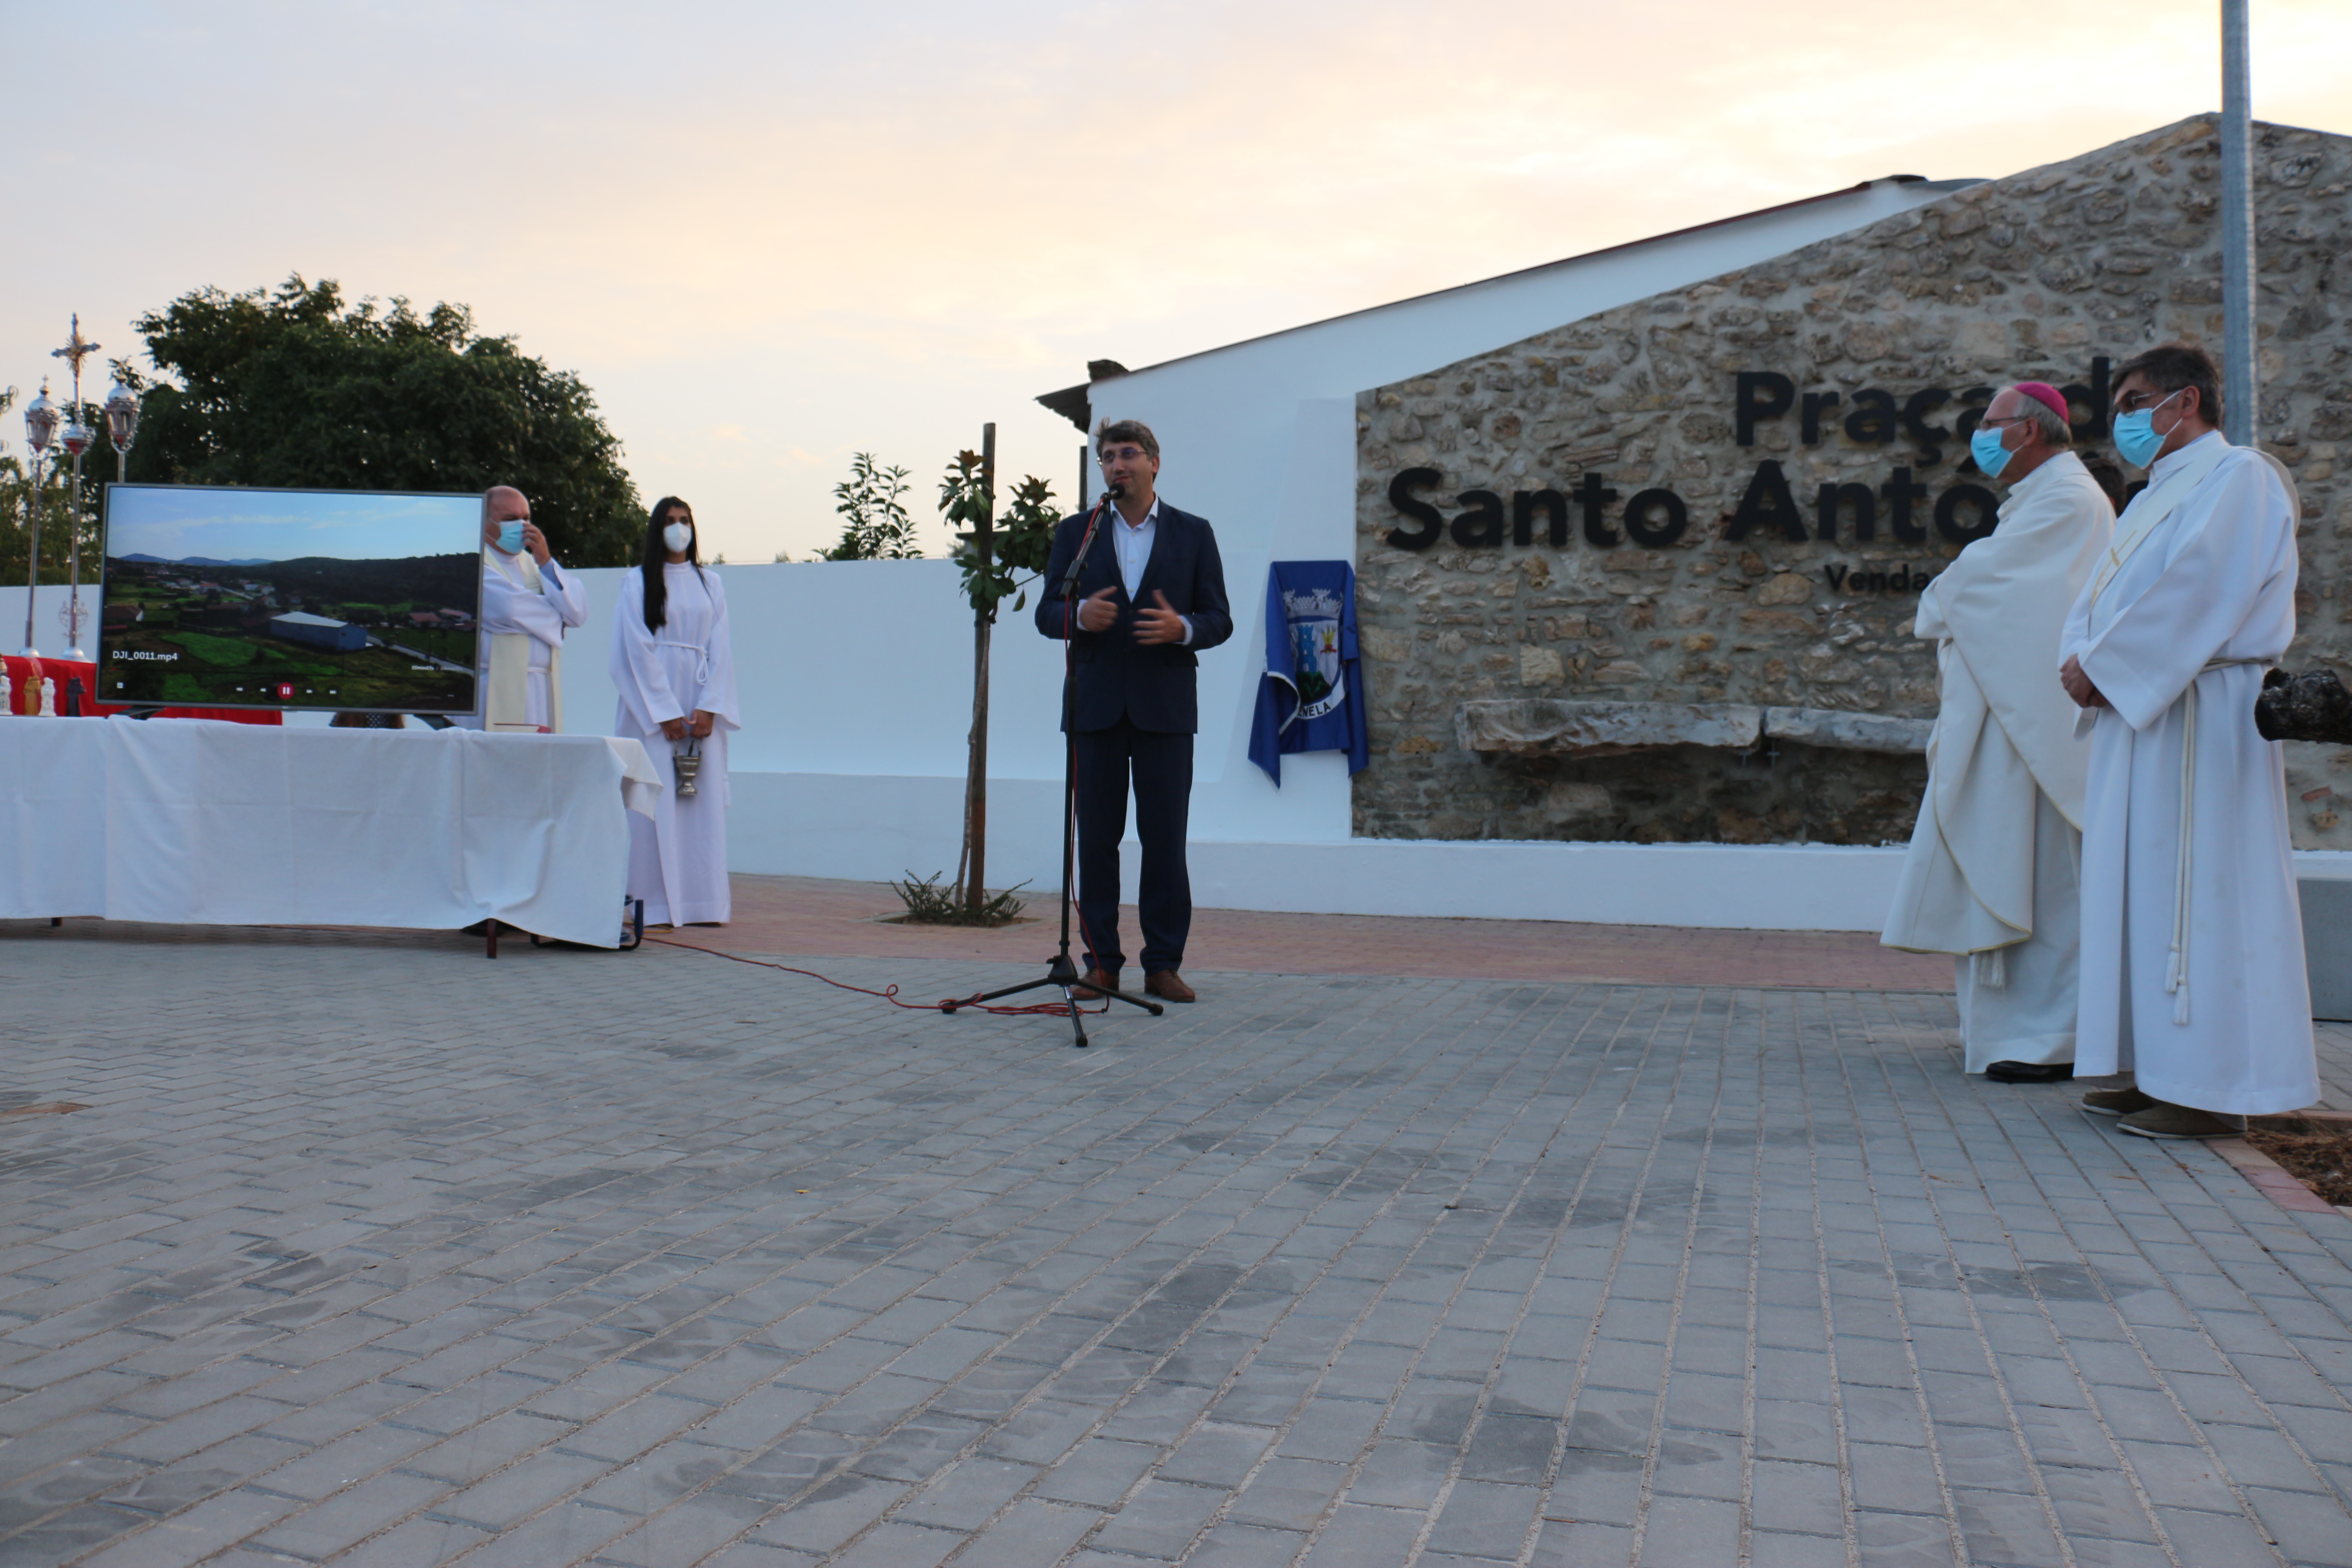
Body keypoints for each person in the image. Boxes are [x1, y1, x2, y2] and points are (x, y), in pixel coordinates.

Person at [2058, 342, 2318, 1137]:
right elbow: (2095, 595)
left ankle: (2212, 1090)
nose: (2121, 421)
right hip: (2144, 714)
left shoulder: (2237, 477)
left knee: (2203, 895)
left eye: (2133, 403)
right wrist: (2080, 659)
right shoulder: (2146, 498)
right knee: (2140, 891)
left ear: (2185, 402)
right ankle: (2156, 1068)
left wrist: (2106, 667)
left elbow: (2201, 586)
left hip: (2203, 714)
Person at [1884, 383, 2114, 1082]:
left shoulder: (2068, 500)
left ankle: (2051, 1039)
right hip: (2013, 719)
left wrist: (1943, 597)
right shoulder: (2039, 502)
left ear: (2031, 432)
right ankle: (2013, 1032)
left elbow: (1988, 588)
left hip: (2035, 729)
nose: (1979, 437)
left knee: (2047, 886)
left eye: (1990, 423)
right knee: (2017, 870)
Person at [1035, 420, 1232, 1004]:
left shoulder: (1194, 534)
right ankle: (1101, 965)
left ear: (1154, 462)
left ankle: (1163, 964)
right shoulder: (1080, 533)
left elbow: (1219, 618)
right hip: (1093, 708)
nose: (1117, 465)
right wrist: (1076, 618)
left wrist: (1183, 628)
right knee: (1096, 839)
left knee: (1164, 840)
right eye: (1107, 458)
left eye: (1128, 454)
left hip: (1166, 710)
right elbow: (1047, 612)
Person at [609, 497, 739, 927]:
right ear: (656, 529)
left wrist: (708, 707)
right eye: (670, 521)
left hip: (700, 704)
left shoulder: (710, 583)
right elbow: (634, 650)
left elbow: (721, 649)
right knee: (653, 801)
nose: (679, 528)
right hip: (653, 706)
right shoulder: (638, 582)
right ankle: (649, 902)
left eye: (685, 521)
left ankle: (703, 902)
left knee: (698, 805)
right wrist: (663, 711)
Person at [467, 486, 587, 733]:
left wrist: (545, 561)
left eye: (526, 518)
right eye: (510, 519)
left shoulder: (533, 564)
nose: (522, 526)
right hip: (494, 689)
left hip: (542, 687)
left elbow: (577, 613)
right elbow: (508, 609)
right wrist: (558, 616)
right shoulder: (473, 561)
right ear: (484, 521)